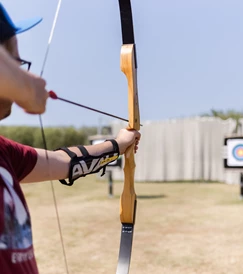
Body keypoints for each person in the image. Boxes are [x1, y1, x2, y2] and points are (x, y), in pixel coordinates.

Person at [0, 4, 141, 274]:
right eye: (16, 62)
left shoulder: (5, 153)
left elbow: (62, 161)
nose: (24, 70)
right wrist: (27, 87)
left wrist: (118, 146)